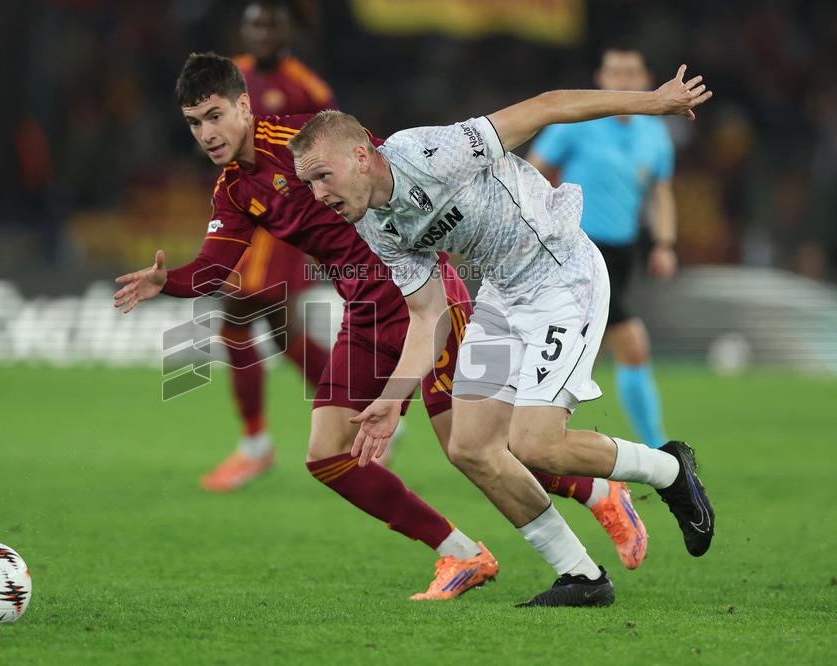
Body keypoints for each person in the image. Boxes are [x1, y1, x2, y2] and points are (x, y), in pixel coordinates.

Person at [114, 52, 645, 602]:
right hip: (364, 313)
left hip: (424, 303)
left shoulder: (305, 139)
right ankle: (461, 553)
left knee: (473, 449)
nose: (207, 132)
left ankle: (597, 492)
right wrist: (167, 281)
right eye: (195, 123)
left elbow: (386, 175)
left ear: (244, 107)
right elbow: (213, 270)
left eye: (215, 115)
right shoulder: (233, 189)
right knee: (326, 455)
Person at [289, 64, 715, 606]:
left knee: (535, 443)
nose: (316, 192)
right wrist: (391, 399)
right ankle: (581, 578)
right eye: (307, 184)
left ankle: (671, 470)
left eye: (321, 176)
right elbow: (426, 315)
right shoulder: (375, 226)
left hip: (563, 275)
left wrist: (650, 102)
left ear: (360, 155)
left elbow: (547, 105)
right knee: (471, 447)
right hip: (503, 297)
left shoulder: (434, 153)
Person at [201, 0, 337, 492]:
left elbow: (324, 159)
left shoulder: (308, 89)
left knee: (235, 316)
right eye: (253, 22)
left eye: (270, 23)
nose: (260, 31)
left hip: (278, 222)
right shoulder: (228, 77)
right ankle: (360, 407)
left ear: (288, 30)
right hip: (242, 213)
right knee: (281, 334)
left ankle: (256, 446)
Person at [526, 42, 676, 448]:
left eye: (631, 73)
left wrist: (664, 242)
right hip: (579, 251)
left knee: (581, 352)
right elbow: (531, 170)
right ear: (600, 80)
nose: (623, 81)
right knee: (631, 344)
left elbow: (660, 191)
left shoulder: (656, 134)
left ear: (645, 80)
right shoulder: (576, 123)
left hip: (623, 252)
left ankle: (527, 435)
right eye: (615, 73)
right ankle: (661, 452)